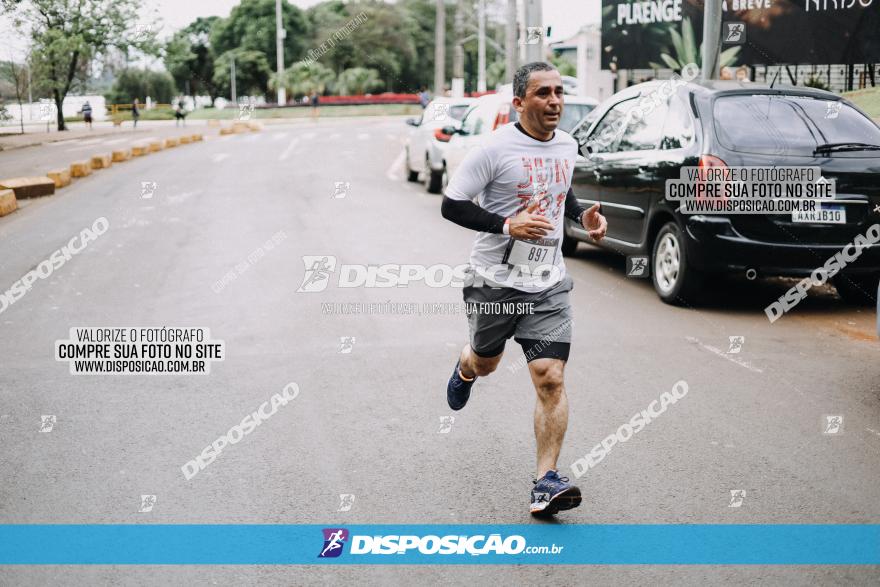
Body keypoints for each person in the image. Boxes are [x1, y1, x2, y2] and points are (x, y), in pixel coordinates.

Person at [441, 62, 607, 517]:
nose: (555, 101)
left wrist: (581, 218)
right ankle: (466, 366)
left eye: (558, 92)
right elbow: (451, 205)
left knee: (550, 377)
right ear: (519, 102)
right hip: (492, 280)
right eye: (543, 94)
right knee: (487, 362)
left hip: (547, 282)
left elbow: (561, 190)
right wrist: (506, 224)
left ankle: (545, 481)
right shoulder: (493, 149)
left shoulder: (568, 145)